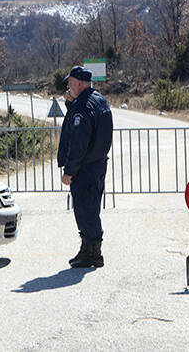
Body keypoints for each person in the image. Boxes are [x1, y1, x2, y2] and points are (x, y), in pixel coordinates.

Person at [58, 66, 113, 268]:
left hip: (85, 167)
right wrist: (70, 104)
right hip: (97, 164)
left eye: (71, 83)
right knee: (90, 207)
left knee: (85, 209)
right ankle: (87, 249)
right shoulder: (98, 100)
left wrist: (69, 171)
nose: (68, 87)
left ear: (80, 83)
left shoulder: (82, 107)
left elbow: (79, 142)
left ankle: (92, 253)